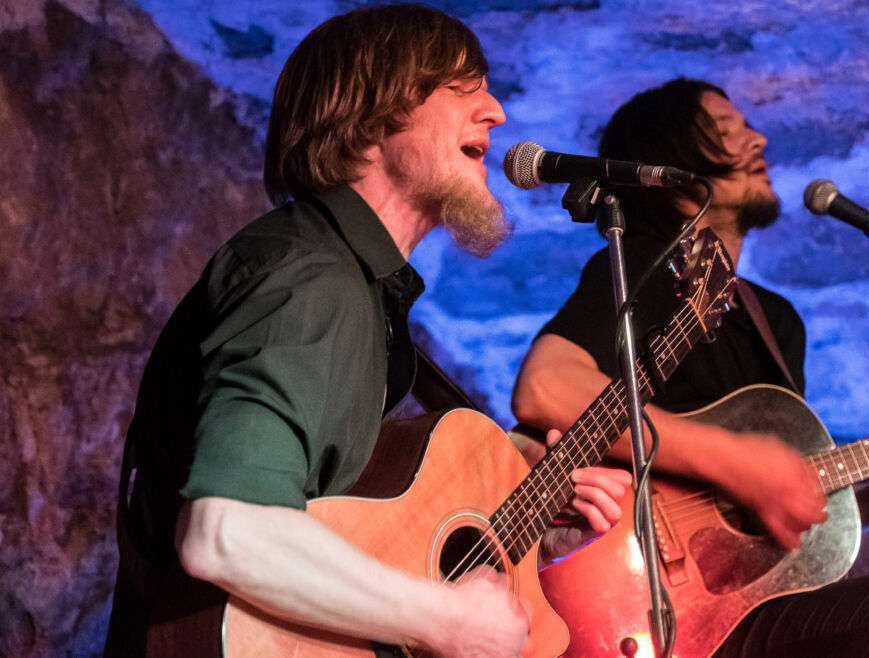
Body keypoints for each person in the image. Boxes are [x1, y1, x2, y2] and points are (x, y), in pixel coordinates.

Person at [103, 6, 631, 657]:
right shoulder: (313, 280)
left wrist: (522, 526)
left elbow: (347, 524)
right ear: (370, 118)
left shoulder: (351, 286)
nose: (496, 112)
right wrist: (445, 620)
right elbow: (225, 529)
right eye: (463, 89)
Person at [511, 78, 869, 657]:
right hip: (634, 605)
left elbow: (776, 529)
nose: (759, 140)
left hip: (734, 614)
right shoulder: (643, 271)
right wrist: (735, 463)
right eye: (725, 132)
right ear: (669, 170)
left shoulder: (776, 321)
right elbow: (545, 388)